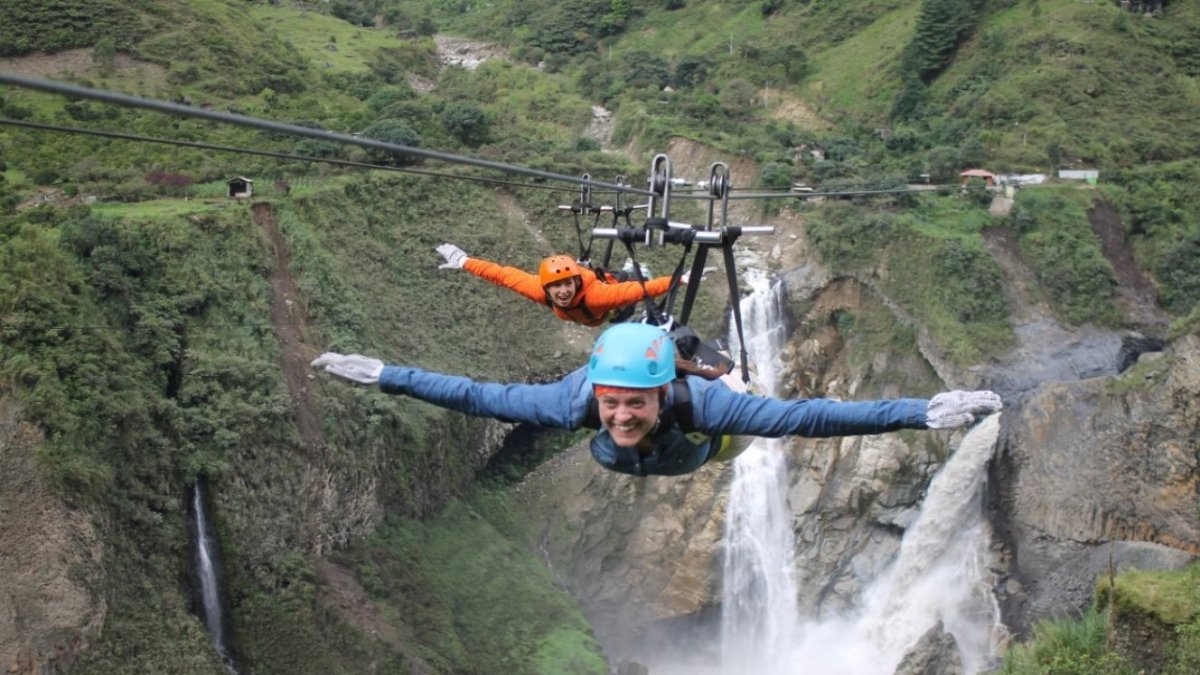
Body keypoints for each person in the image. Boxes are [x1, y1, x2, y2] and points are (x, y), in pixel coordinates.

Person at [311, 323, 1003, 478]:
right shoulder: (573, 402)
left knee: (746, 427)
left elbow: (810, 417)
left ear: (659, 392)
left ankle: (717, 358)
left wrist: (923, 409)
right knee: (607, 452)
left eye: (631, 406)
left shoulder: (710, 408)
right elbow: (473, 394)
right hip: (637, 456)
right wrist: (384, 373)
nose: (617, 414)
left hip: (700, 447)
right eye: (610, 404)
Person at [435, 243, 677, 327]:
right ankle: (625, 271)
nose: (563, 292)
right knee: (617, 285)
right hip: (594, 309)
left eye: (568, 285)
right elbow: (502, 275)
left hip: (611, 305)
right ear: (546, 288)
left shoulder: (596, 297)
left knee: (628, 293)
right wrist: (464, 261)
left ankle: (636, 270)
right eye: (556, 287)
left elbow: (638, 291)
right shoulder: (538, 290)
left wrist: (679, 280)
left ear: (576, 281)